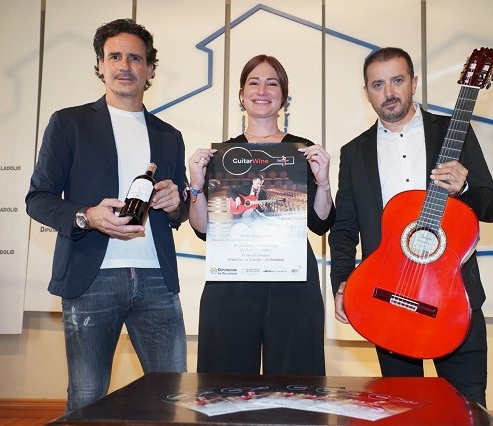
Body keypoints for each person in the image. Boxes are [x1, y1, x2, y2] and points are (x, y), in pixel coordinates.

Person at [25, 18, 189, 412]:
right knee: (87, 398)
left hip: (158, 281)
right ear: (100, 64)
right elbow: (38, 198)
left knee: (173, 398)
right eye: (115, 56)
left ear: (150, 69)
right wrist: (87, 216)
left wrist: (175, 203)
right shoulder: (69, 123)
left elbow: (180, 209)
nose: (125, 65)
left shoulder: (169, 135)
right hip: (91, 279)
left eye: (135, 58)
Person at [329, 47, 493, 406]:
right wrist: (342, 283)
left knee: (467, 408)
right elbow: (344, 228)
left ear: (414, 82)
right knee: (400, 408)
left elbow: (490, 206)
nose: (389, 92)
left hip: (453, 301)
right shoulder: (354, 152)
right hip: (388, 301)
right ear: (366, 92)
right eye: (378, 84)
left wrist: (465, 189)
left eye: (397, 80)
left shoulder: (453, 132)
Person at [188, 54, 335, 375]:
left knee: (296, 384)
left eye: (272, 83)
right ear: (241, 95)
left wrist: (323, 182)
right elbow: (203, 229)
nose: (262, 90)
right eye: (254, 83)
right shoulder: (221, 156)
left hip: (292, 280)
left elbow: (321, 223)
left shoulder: (302, 151)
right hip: (233, 280)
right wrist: (196, 185)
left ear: (283, 96)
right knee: (224, 384)